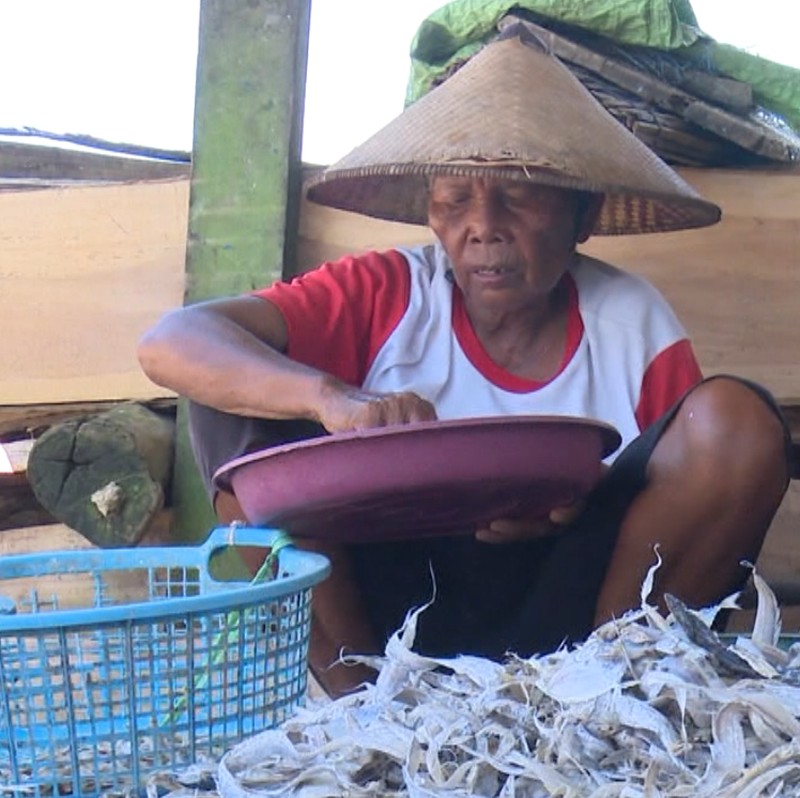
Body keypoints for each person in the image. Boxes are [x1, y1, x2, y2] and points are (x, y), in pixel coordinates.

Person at [138, 31, 792, 697]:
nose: (484, 226)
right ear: (430, 212)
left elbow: (690, 498)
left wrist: (578, 500)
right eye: (456, 199)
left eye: (520, 195)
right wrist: (332, 398)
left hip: (574, 616)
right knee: (229, 407)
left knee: (736, 420)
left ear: (583, 212)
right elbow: (173, 342)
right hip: (387, 615)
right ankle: (365, 714)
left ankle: (609, 700)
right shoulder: (387, 293)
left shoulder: (632, 323)